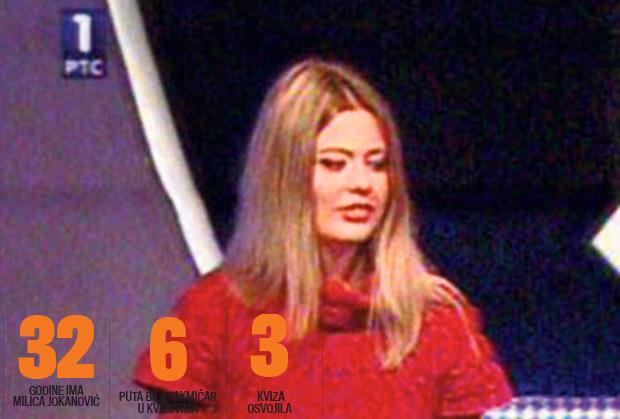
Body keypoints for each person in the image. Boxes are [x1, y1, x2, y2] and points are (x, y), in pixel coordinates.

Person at [134, 58, 513, 418]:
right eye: (334, 164)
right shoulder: (211, 315)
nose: (362, 184)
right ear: (284, 177)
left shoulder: (438, 321)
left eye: (377, 164)